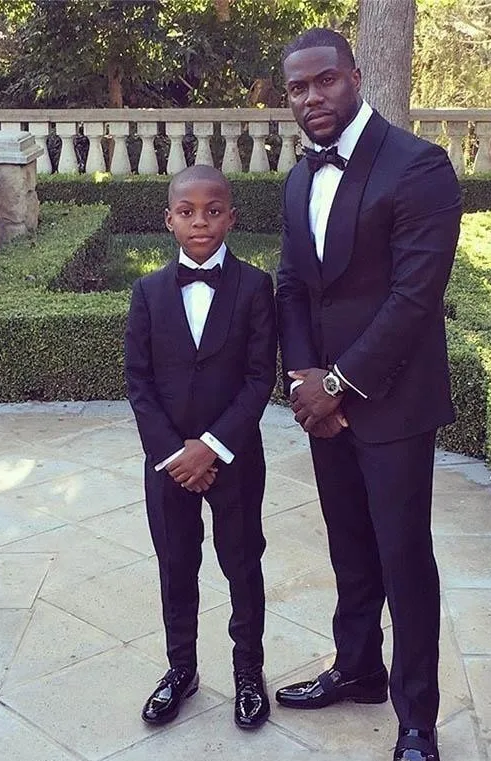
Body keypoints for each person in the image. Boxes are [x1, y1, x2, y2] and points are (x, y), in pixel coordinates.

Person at [274, 28, 462, 761]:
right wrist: (304, 381)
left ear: (355, 77)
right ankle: (356, 669)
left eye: (324, 80)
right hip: (324, 404)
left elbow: (414, 299)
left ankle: (417, 721)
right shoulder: (298, 178)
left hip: (393, 405)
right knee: (349, 548)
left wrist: (340, 386)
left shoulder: (419, 166)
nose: (311, 97)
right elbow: (292, 284)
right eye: (297, 88)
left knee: (403, 560)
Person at [125, 165, 277, 731]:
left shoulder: (255, 287)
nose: (200, 223)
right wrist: (175, 454)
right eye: (186, 212)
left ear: (231, 217)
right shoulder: (147, 292)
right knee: (176, 564)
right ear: (169, 219)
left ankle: (248, 672)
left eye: (213, 211)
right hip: (168, 465)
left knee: (242, 563)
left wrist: (211, 447)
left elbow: (260, 378)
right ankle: (180, 669)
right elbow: (138, 381)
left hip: (234, 459)